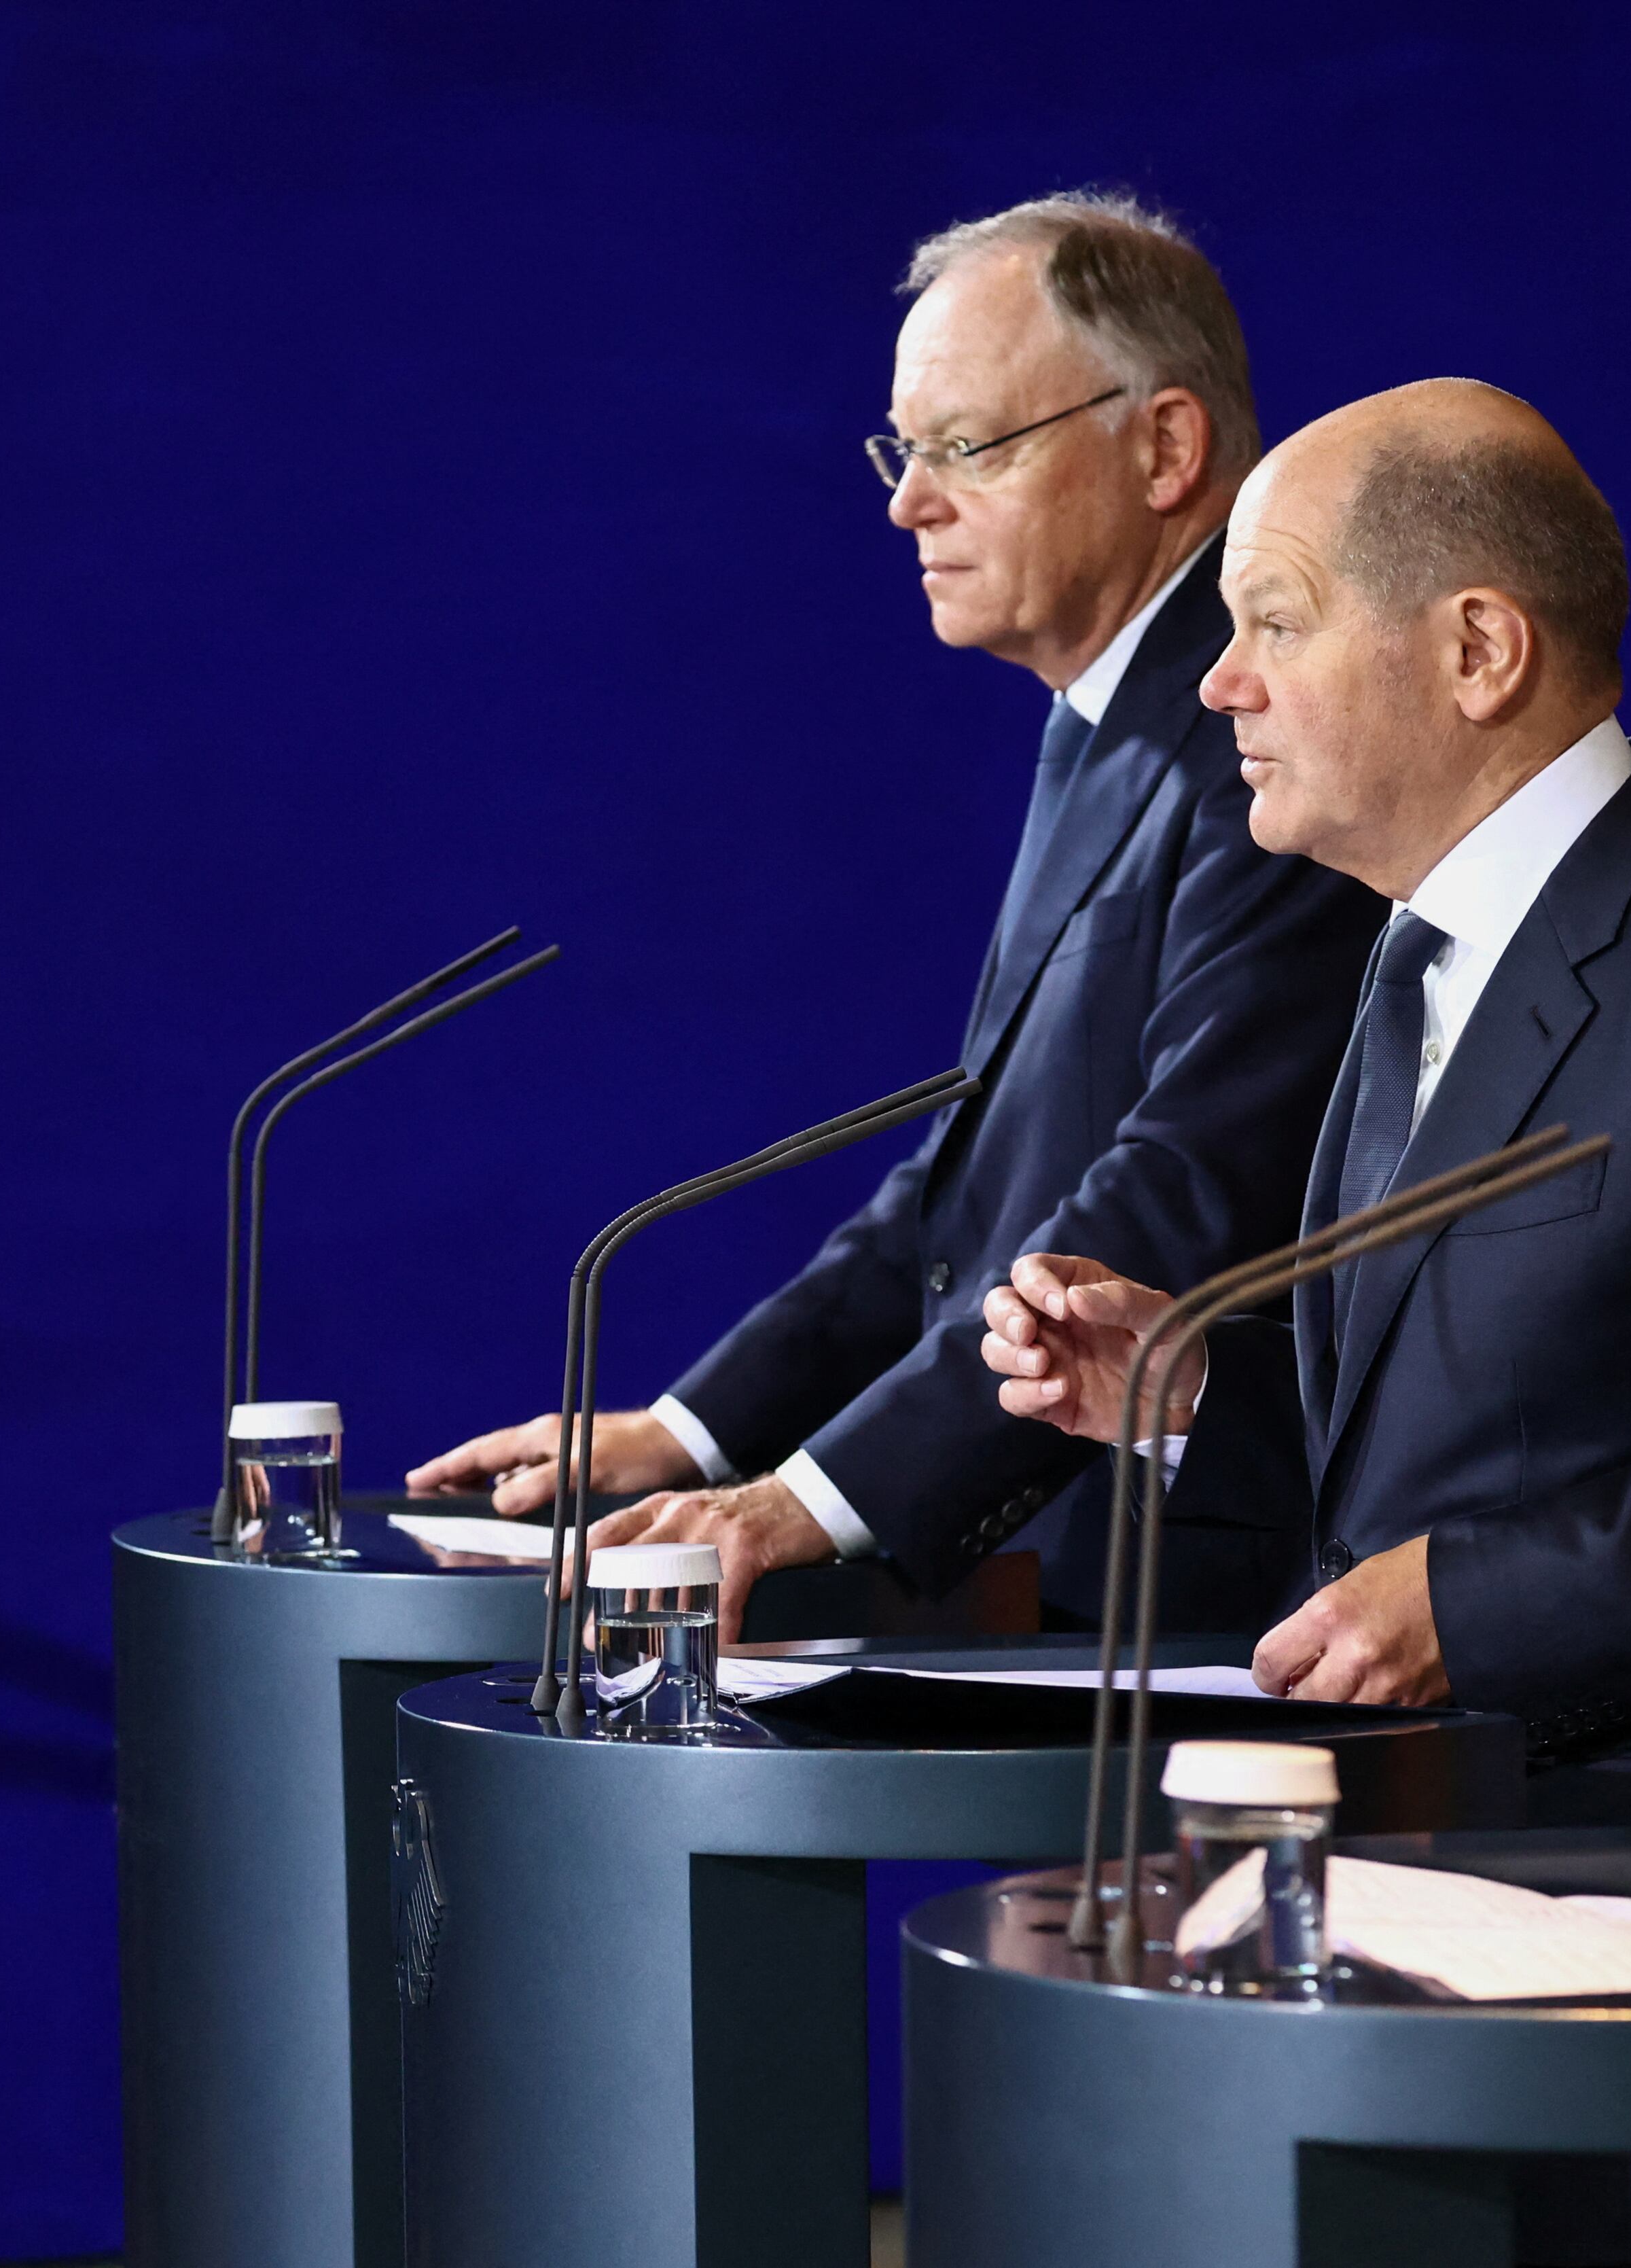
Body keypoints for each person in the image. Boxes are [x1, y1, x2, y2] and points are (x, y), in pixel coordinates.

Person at [984, 377, 1631, 2267]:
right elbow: (1492, 1411)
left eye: (1273, 622)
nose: (1222, 683)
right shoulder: (1413, 950)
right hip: (1444, 1919)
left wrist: (1472, 1598)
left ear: (1476, 648)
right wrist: (1196, 1398)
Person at [410, 194, 1379, 1629]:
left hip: (1205, 1605)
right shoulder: (1105, 722)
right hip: (1077, 1562)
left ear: (1165, 446)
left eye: (965, 448)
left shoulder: (1256, 737)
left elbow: (1180, 1183)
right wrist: (694, 1435)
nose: (906, 504)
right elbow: (965, 1177)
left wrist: (816, 1497)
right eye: (903, 450)